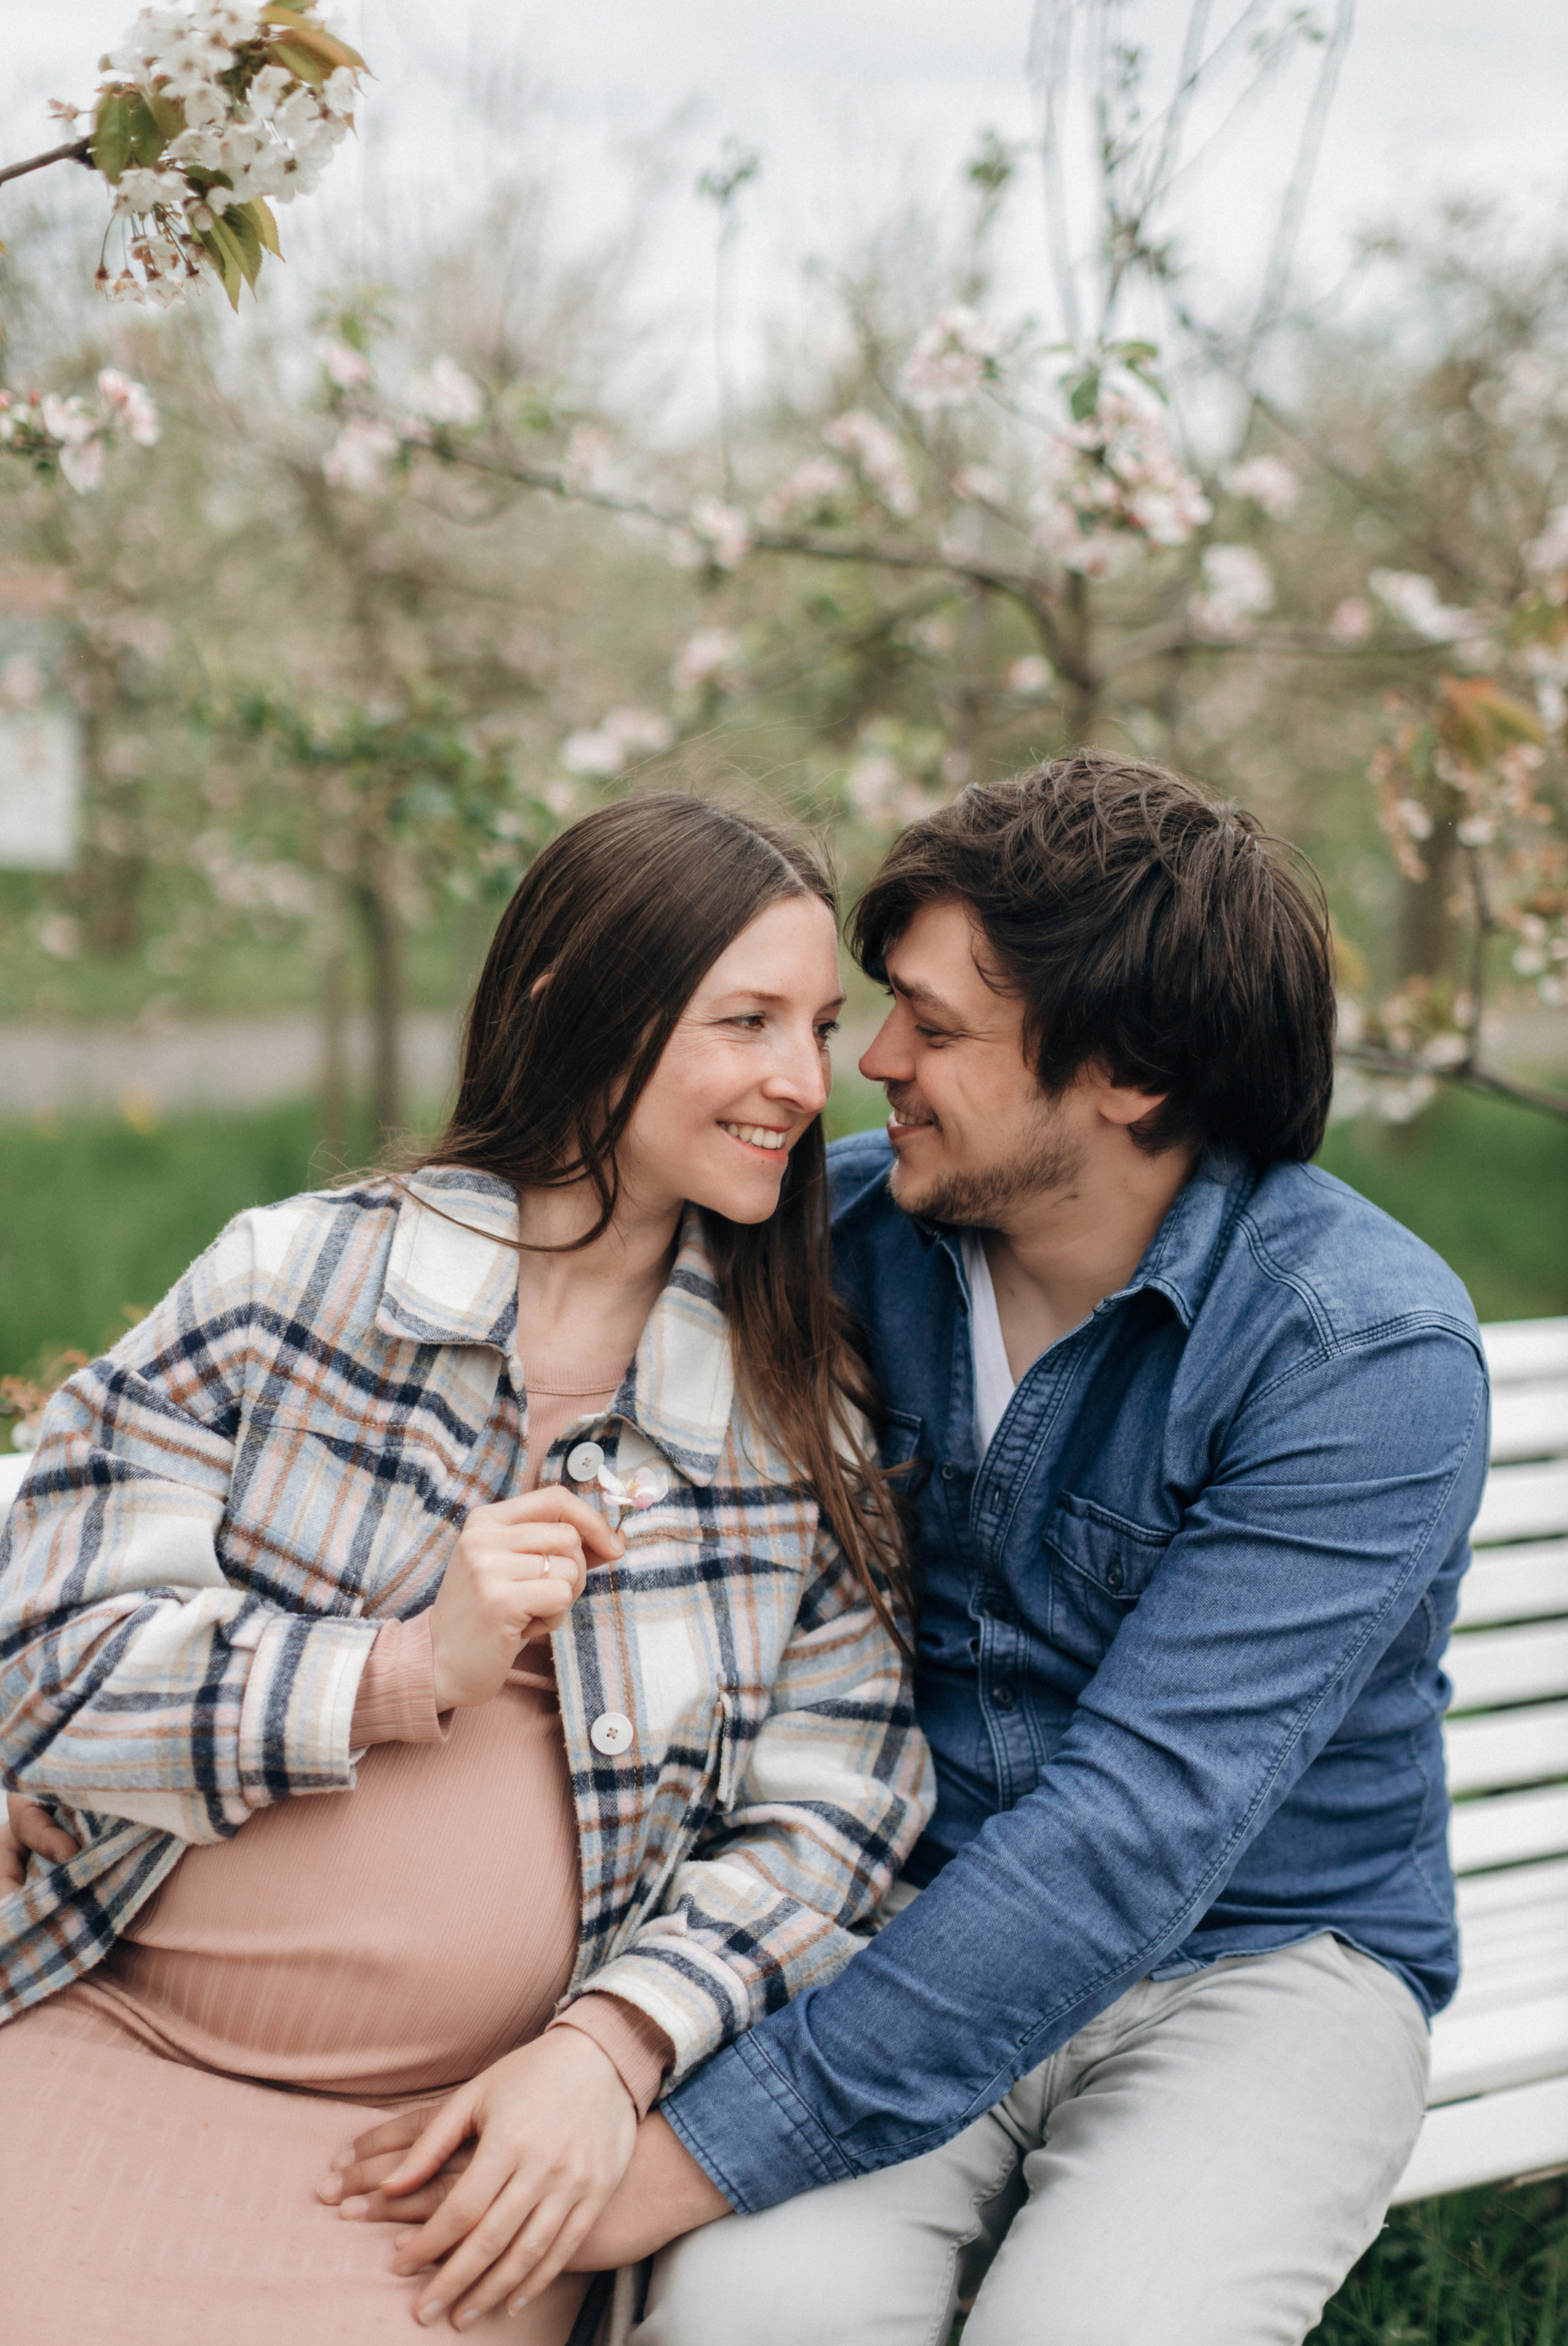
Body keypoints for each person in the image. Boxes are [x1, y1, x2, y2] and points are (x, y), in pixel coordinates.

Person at [325, 750, 1488, 2346]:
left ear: (1130, 1072)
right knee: (749, 2324)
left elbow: (1137, 1837)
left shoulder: (1355, 1353)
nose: (866, 1061)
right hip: (886, 1925)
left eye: (934, 1027)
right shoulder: (833, 1240)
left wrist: (681, 2161)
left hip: (1260, 1966)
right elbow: (458, 1348)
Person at [0, 792, 932, 2344]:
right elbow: (48, 1658)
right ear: (583, 1008)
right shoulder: (289, 1287)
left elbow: (844, 1811)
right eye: (747, 1020)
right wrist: (403, 1669)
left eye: (819, 1026)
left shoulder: (794, 1418)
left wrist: (619, 2045)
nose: (799, 1081)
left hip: (451, 2148)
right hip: (108, 2024)